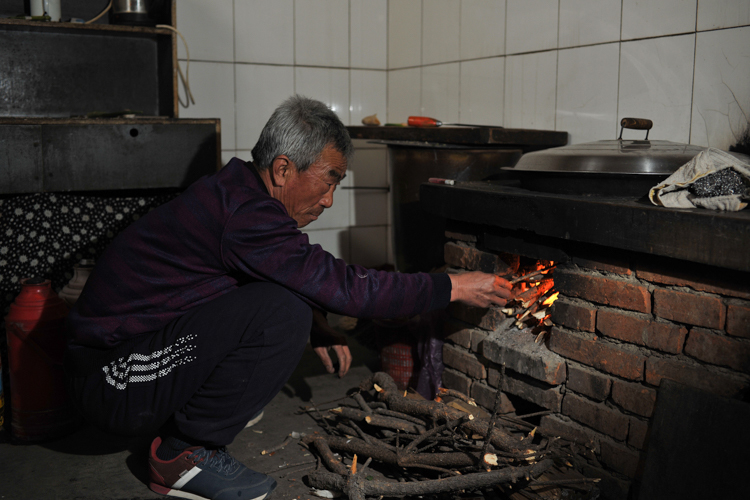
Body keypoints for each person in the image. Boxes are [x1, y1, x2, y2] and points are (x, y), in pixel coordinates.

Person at [64, 95, 514, 500]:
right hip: (112, 380)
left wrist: (318, 327)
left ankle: (185, 428)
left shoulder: (239, 194)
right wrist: (454, 286)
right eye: (329, 180)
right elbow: (348, 288)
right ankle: (182, 455)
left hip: (125, 363)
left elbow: (278, 274)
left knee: (292, 303)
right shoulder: (246, 214)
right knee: (284, 311)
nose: (330, 200)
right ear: (283, 169)